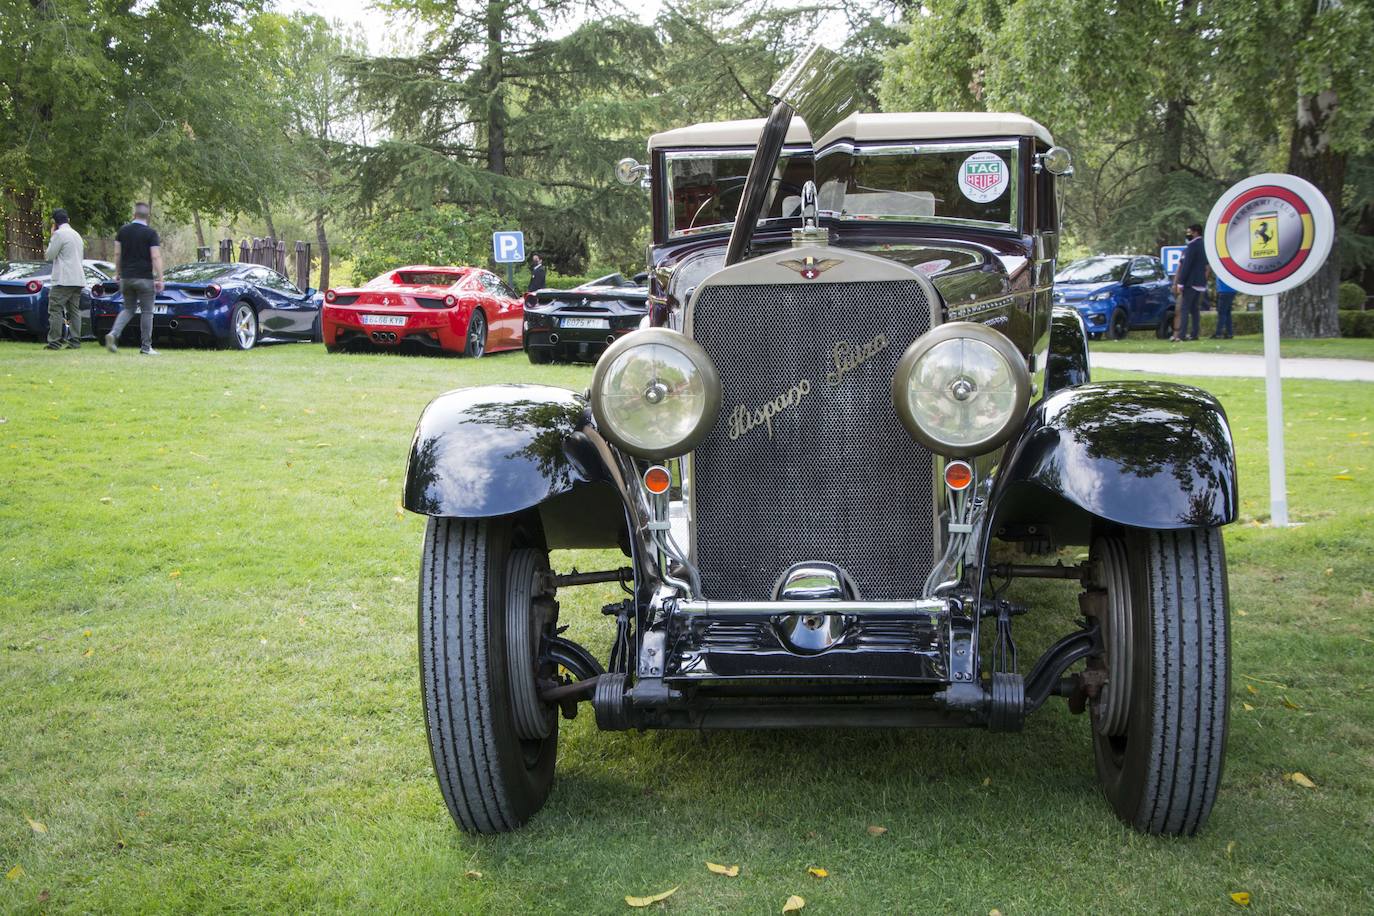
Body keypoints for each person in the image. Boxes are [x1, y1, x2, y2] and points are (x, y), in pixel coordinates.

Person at [106, 202, 164, 355]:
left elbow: (117, 254)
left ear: (134, 214)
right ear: (148, 216)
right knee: (147, 312)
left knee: (128, 309)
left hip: (126, 277)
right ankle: (146, 347)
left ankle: (114, 334)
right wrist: (160, 278)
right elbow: (155, 256)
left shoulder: (123, 232)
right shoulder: (151, 233)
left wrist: (118, 273)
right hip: (144, 278)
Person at [43, 208, 85, 350]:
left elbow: (49, 255)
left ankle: (54, 341)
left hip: (63, 279)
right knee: (74, 311)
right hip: (78, 278)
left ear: (54, 222)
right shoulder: (76, 235)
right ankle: (75, 341)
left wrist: (51, 235)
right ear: (68, 220)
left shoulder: (59, 235)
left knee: (55, 309)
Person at [1171, 222, 1208, 341]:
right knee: (1194, 309)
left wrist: (1180, 282)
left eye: (1189, 232)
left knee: (1184, 309)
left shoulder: (1192, 246)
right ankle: (1194, 333)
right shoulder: (1203, 245)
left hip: (1190, 282)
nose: (1188, 234)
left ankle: (1181, 335)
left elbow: (1186, 266)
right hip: (1200, 282)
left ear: (1195, 232)